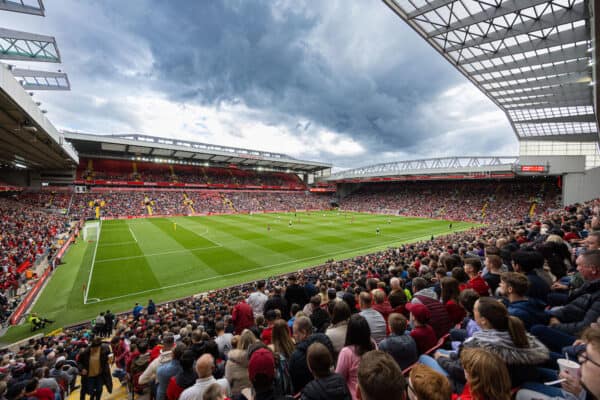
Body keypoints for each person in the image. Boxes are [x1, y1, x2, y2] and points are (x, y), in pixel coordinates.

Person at [531, 250, 600, 353]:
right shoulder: (590, 283)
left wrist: (556, 326)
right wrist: (551, 316)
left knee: (536, 329)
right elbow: (573, 306)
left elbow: (586, 327)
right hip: (568, 318)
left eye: (579, 265)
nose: (577, 269)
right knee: (532, 314)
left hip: (579, 337)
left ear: (593, 269)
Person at [289, 316, 334, 393]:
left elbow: (296, 384)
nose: (293, 336)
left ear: (304, 332)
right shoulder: (326, 340)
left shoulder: (296, 356)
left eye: (295, 333)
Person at [335, 314, 375, 400]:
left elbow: (338, 379)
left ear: (349, 332)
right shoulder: (373, 344)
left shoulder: (346, 352)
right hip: (371, 393)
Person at [225, 330, 257, 396]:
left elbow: (228, 382)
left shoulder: (231, 361)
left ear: (240, 342)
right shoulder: (261, 357)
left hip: (239, 394)